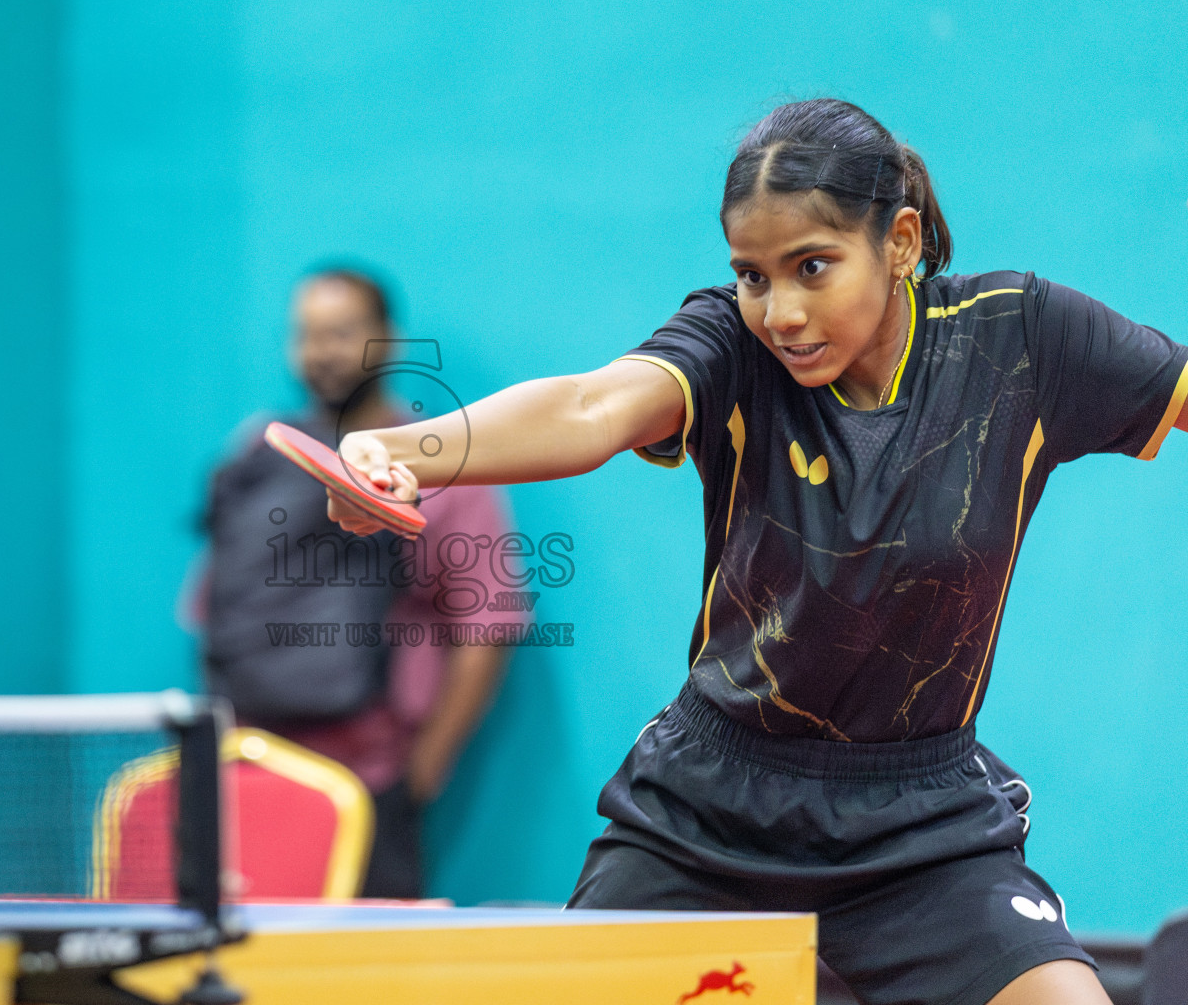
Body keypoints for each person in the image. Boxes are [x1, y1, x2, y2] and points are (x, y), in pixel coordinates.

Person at [327, 100, 1188, 1004]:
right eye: (754, 275)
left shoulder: (1020, 335)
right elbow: (592, 408)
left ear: (897, 242)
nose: (780, 310)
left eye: (813, 268)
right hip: (710, 812)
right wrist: (403, 454)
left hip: (921, 828)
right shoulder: (729, 343)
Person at [199, 267, 528, 899]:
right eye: (308, 335)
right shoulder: (257, 455)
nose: (322, 352)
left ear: (389, 341)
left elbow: (489, 630)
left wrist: (416, 781)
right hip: (251, 778)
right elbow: (216, 610)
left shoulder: (443, 463)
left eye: (343, 333)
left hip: (370, 784)